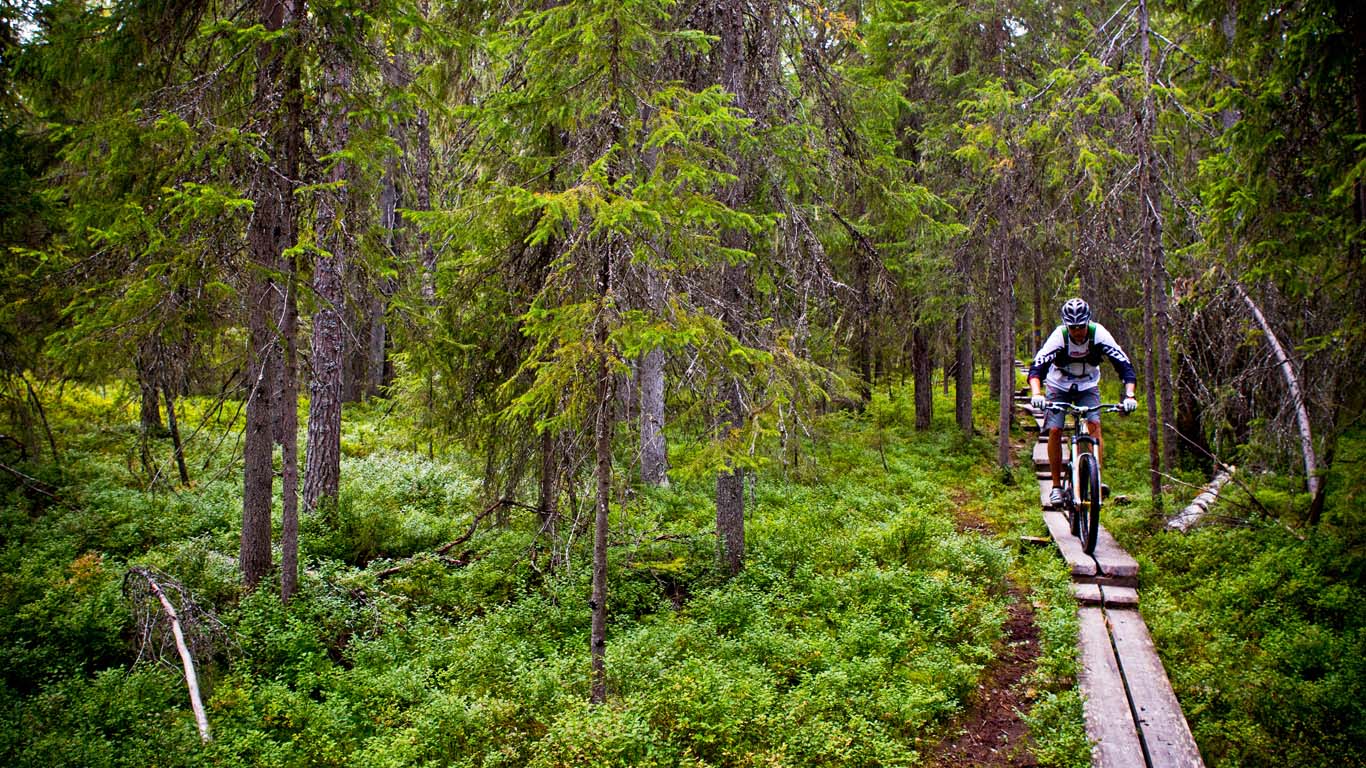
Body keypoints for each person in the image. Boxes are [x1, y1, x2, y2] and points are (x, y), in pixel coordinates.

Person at [1028, 298, 1138, 507]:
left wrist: (1129, 395)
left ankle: (1096, 478)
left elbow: (1124, 366)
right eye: (1073, 327)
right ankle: (1056, 487)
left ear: (1088, 322)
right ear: (1066, 325)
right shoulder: (1059, 337)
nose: (1077, 332)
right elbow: (1037, 368)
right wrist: (1036, 393)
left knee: (1095, 427)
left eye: (1081, 326)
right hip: (1058, 385)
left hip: (1087, 386)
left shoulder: (1099, 334)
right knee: (1054, 430)